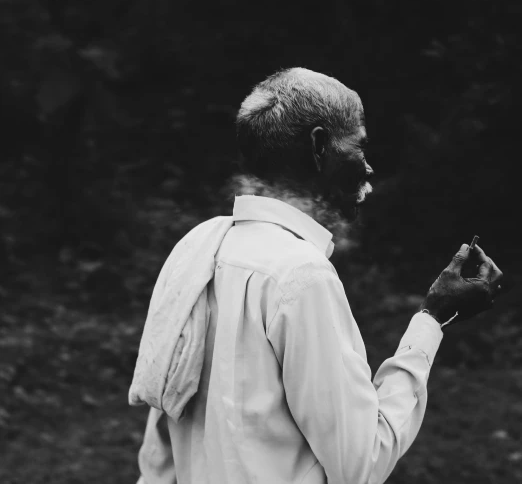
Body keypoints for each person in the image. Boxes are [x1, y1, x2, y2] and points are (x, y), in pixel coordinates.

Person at [130, 67, 503, 484]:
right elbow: (362, 463)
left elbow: (159, 445)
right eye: (359, 147)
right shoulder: (300, 276)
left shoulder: (197, 247)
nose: (369, 168)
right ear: (320, 146)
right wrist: (432, 320)